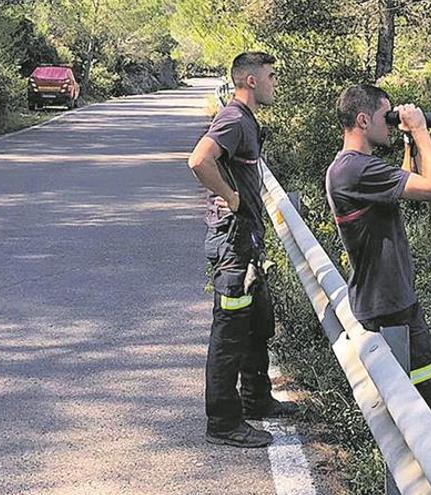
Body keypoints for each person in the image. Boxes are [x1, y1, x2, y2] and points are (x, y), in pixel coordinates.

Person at [325, 84, 431, 429]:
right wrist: (422, 130)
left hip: (389, 301)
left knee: (413, 404)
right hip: (391, 308)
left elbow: (402, 189)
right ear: (363, 120)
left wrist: (409, 141)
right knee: (428, 411)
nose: (391, 123)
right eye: (387, 116)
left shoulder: (354, 167)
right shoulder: (355, 170)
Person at [187, 52, 296, 448]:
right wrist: (231, 197)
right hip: (233, 241)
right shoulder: (234, 119)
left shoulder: (246, 119)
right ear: (250, 81)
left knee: (256, 324)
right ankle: (223, 422)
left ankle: (256, 399)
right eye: (270, 76)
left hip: (247, 240)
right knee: (230, 332)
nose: (274, 83)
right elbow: (199, 161)